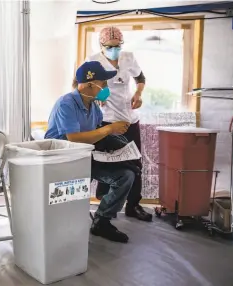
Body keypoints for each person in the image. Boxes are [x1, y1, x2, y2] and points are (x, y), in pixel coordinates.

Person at [45, 61, 134, 243]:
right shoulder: (66, 104)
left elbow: (96, 135)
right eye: (103, 84)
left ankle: (102, 220)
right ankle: (65, 226)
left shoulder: (94, 107)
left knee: (126, 174)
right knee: (75, 192)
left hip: (85, 158)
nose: (106, 88)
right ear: (88, 84)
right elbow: (74, 138)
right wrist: (109, 130)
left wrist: (117, 149)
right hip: (62, 162)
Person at [87, 26, 152, 222]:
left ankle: (133, 205)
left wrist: (138, 94)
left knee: (135, 163)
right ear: (101, 45)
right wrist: (98, 94)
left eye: (117, 46)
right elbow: (85, 86)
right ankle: (106, 203)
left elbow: (140, 77)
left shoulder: (128, 58)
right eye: (110, 46)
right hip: (106, 119)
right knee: (106, 162)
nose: (114, 49)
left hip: (129, 118)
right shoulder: (93, 60)